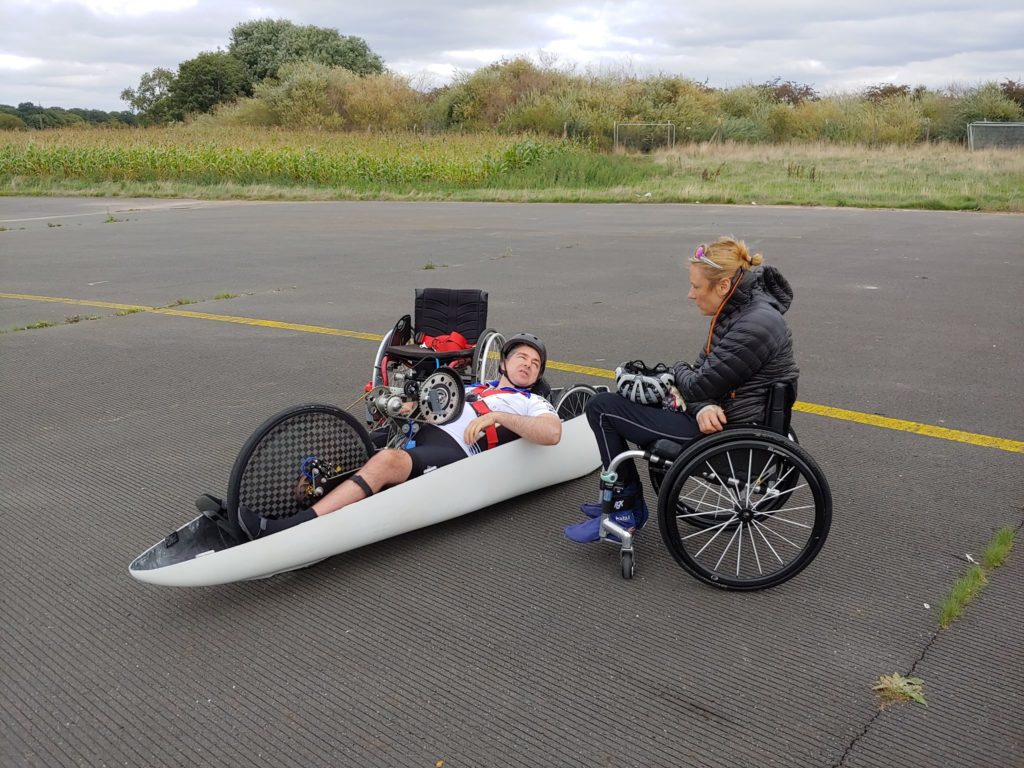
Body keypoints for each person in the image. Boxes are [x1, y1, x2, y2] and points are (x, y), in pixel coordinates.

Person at [564, 235, 799, 543]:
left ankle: (625, 507)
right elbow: (705, 375)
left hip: (734, 436)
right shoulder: (741, 312)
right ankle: (624, 497)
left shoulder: (755, 324)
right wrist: (701, 403)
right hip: (727, 417)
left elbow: (697, 380)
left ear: (724, 286)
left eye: (696, 286)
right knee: (625, 396)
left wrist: (677, 371)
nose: (690, 294)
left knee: (602, 408)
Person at [239, 333, 561, 539]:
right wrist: (402, 406)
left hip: (456, 449)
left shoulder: (530, 401)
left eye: (535, 364)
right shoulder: (470, 386)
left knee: (388, 461)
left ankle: (290, 530)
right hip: (419, 428)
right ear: (504, 362)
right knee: (342, 446)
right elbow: (425, 403)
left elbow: (552, 432)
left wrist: (498, 416)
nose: (528, 365)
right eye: (522, 357)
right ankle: (294, 501)